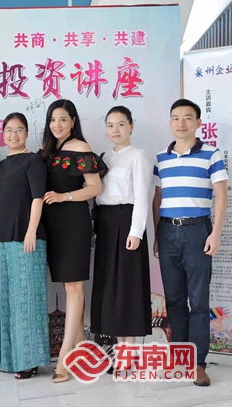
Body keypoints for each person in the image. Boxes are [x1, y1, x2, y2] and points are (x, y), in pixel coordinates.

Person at [153, 99, 228, 387]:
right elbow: (158, 199)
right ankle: (178, 357)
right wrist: (157, 235)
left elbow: (221, 195)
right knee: (174, 299)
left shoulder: (211, 154)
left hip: (198, 231)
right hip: (167, 232)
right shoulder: (161, 158)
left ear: (198, 122)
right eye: (175, 118)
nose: (181, 123)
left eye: (187, 117)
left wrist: (215, 233)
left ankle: (198, 363)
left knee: (198, 300)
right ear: (170, 123)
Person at [39, 99, 106, 383]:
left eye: (63, 119)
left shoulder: (80, 147)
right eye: (53, 119)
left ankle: (65, 358)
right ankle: (80, 352)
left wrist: (64, 196)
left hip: (74, 223)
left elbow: (95, 187)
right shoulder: (47, 150)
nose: (57, 125)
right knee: (69, 287)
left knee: (74, 287)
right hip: (52, 225)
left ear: (73, 121)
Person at [91, 106, 152, 367]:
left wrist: (136, 232)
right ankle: (120, 349)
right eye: (110, 125)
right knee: (110, 287)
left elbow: (142, 197)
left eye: (121, 124)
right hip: (106, 224)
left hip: (127, 223)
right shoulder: (104, 157)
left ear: (131, 126)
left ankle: (130, 351)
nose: (115, 130)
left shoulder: (139, 156)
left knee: (128, 286)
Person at [0, 112, 50, 380]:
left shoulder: (33, 161)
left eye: (19, 130)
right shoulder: (2, 164)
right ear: (2, 134)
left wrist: (31, 231)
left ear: (27, 133)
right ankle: (11, 359)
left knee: (27, 301)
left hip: (28, 238)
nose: (13, 134)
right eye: (9, 130)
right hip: (4, 238)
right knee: (9, 300)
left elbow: (38, 198)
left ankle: (30, 361)